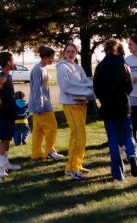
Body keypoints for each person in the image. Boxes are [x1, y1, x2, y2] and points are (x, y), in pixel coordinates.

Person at [93, 38, 137, 180]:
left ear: (105, 49)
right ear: (117, 49)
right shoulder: (123, 64)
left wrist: (104, 100)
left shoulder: (100, 67)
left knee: (113, 139)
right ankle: (132, 154)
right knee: (128, 134)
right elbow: (130, 87)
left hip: (108, 107)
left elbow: (97, 89)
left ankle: (118, 174)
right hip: (123, 105)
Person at [56, 42, 96, 180]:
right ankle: (71, 168)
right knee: (78, 135)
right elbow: (66, 86)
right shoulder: (62, 68)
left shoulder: (78, 68)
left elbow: (86, 81)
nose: (70, 53)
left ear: (76, 53)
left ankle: (77, 165)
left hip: (81, 103)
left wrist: (94, 84)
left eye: (73, 51)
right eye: (68, 51)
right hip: (70, 104)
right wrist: (86, 89)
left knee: (81, 136)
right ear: (64, 53)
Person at [29, 45, 64, 161]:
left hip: (41, 104)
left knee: (38, 131)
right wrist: (40, 107)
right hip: (42, 105)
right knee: (52, 128)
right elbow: (36, 89)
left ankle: (36, 154)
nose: (53, 59)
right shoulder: (38, 69)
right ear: (44, 57)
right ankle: (50, 151)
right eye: (51, 57)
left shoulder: (43, 68)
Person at [0, 52, 21, 177]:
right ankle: (0, 168)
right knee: (4, 140)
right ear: (8, 62)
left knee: (7, 138)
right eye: (13, 60)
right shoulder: (3, 77)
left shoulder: (7, 76)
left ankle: (6, 163)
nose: (14, 62)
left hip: (9, 113)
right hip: (4, 114)